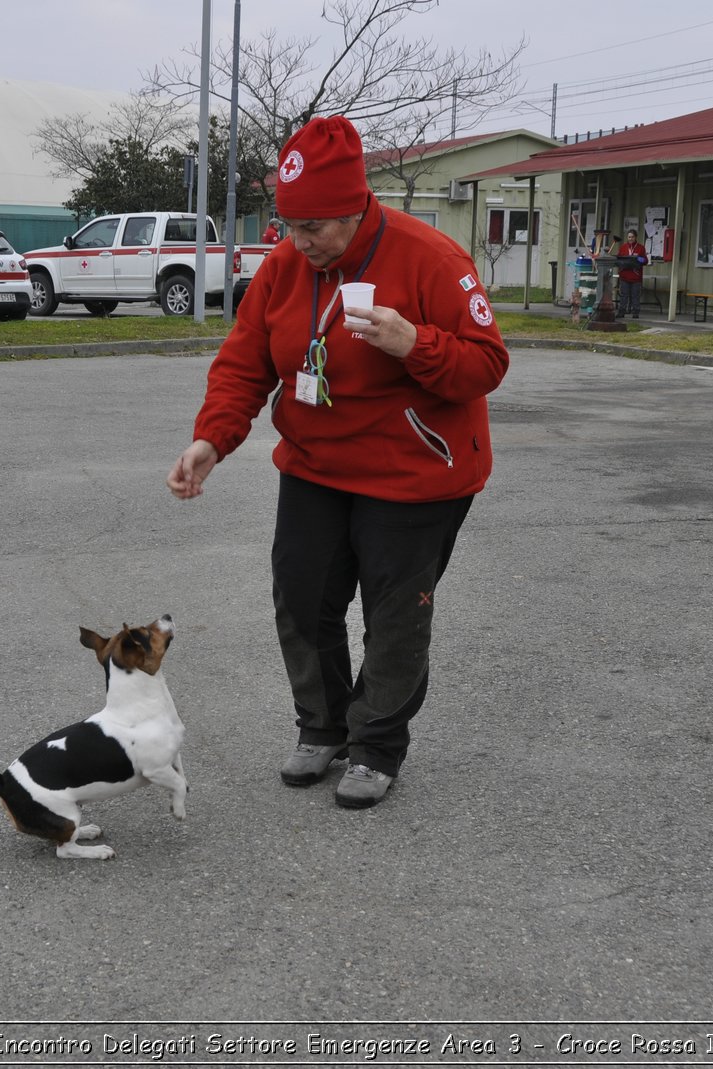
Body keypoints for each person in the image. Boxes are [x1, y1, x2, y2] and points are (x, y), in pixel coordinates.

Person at [165, 116, 510, 809]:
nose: (298, 242)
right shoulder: (287, 269)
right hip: (318, 462)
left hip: (417, 470)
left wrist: (416, 343)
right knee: (302, 596)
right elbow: (244, 362)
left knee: (395, 614)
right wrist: (212, 439)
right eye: (290, 226)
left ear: (356, 208)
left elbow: (487, 362)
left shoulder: (432, 258)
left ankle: (376, 743)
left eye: (314, 227)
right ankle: (321, 725)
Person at [612, 228, 649, 318]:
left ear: (635, 237)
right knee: (624, 295)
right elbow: (619, 259)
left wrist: (642, 259)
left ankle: (635, 312)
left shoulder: (641, 248)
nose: (630, 239)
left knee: (635, 295)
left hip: (636, 276)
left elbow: (646, 261)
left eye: (632, 237)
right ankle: (621, 312)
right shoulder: (623, 247)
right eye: (629, 237)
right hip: (624, 276)